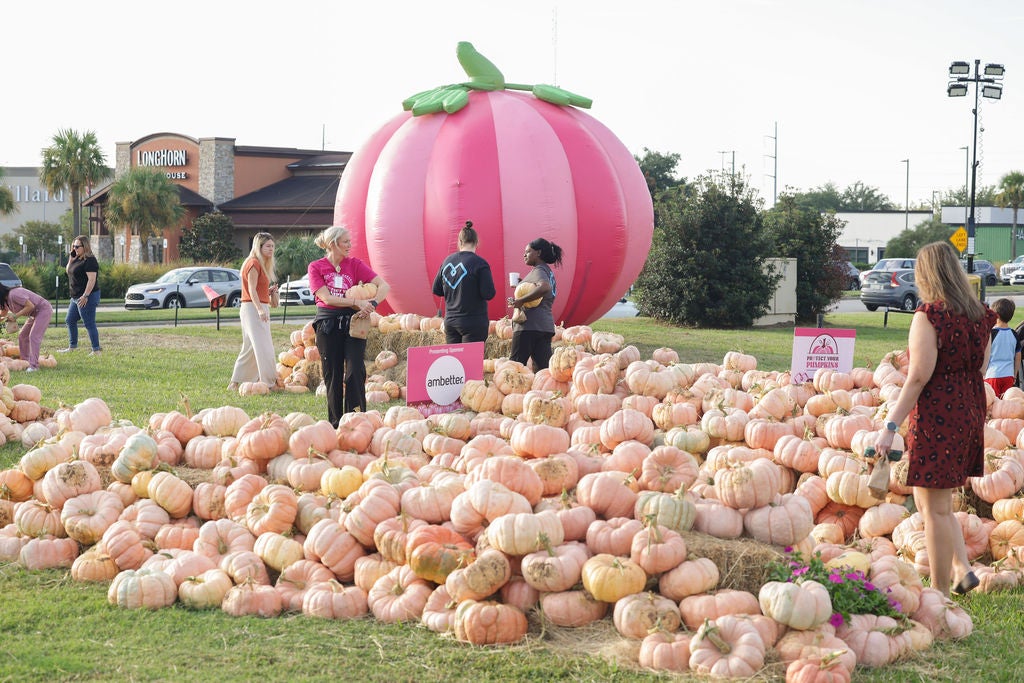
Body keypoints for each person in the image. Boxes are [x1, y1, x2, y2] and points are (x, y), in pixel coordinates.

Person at [873, 241, 994, 597]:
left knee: (937, 509)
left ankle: (939, 594)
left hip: (938, 415)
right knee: (932, 504)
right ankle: (963, 570)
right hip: (970, 410)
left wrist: (890, 426)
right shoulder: (981, 316)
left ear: (926, 275)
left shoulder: (930, 315)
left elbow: (917, 376)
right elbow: (981, 369)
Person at [308, 226, 390, 426]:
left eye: (349, 242)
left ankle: (357, 420)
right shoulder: (316, 267)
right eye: (345, 242)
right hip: (327, 324)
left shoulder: (354, 264)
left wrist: (372, 304)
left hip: (354, 323)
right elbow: (326, 297)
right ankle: (336, 424)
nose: (349, 246)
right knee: (333, 374)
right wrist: (356, 302)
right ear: (333, 243)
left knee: (355, 370)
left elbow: (384, 286)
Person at [228, 233, 280, 392]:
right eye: (268, 246)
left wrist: (267, 292)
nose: (271, 249)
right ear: (259, 247)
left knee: (250, 348)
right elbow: (250, 288)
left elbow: (257, 289)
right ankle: (270, 383)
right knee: (264, 347)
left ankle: (235, 383)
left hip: (257, 307)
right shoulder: (253, 263)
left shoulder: (260, 264)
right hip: (253, 308)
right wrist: (259, 310)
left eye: (272, 246)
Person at [432, 221, 496, 343]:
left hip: (450, 322)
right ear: (477, 243)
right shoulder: (480, 263)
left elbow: (436, 289)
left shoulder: (447, 262)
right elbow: (488, 294)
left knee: (455, 361)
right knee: (471, 362)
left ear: (459, 242)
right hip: (473, 322)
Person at [507, 237, 563, 371]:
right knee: (543, 371)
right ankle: (543, 392)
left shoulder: (539, 270)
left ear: (538, 253)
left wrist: (521, 300)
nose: (524, 254)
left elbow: (544, 288)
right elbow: (541, 290)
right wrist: (522, 284)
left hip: (528, 327)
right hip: (544, 326)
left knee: (514, 368)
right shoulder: (547, 271)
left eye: (528, 251)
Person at [59, 234, 102, 355]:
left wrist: (85, 296)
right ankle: (72, 347)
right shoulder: (76, 258)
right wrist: (71, 259)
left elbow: (92, 279)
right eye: (73, 246)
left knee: (89, 322)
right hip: (75, 296)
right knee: (70, 320)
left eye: (77, 246)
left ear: (85, 246)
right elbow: (68, 271)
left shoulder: (90, 260)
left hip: (87, 296)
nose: (74, 249)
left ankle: (96, 350)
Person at [0, 283, 53, 372]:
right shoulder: (6, 301)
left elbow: (30, 306)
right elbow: (3, 313)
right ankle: (25, 361)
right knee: (22, 336)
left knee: (34, 336)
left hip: (43, 309)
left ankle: (34, 366)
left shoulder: (14, 294)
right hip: (34, 314)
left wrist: (15, 316)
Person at [984, 297, 1020, 398]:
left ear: (997, 316)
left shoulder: (991, 334)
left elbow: (985, 355)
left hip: (992, 375)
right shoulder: (1014, 334)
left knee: (992, 406)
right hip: (1008, 375)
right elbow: (1018, 355)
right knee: (1007, 403)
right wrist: (1015, 373)